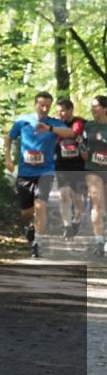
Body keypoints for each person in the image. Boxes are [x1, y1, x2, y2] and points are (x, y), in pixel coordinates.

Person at [4, 92, 74, 258]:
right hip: (25, 172)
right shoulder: (23, 121)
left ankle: (37, 243)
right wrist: (7, 157)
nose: (44, 108)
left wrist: (50, 128)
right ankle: (32, 226)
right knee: (26, 213)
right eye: (41, 105)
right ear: (35, 104)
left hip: (46, 172)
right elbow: (8, 138)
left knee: (41, 206)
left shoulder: (54, 123)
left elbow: (70, 133)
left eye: (48, 106)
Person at [54, 98, 87, 239]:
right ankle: (67, 225)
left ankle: (76, 221)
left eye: (62, 111)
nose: (60, 114)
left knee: (78, 198)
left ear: (70, 110)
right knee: (64, 195)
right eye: (58, 111)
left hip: (79, 165)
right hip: (61, 164)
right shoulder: (54, 124)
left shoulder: (82, 123)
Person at [82, 96, 107, 257]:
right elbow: (83, 143)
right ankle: (99, 241)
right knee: (97, 204)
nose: (93, 110)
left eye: (96, 106)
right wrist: (83, 150)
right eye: (91, 107)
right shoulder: (88, 126)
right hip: (93, 169)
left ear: (105, 108)